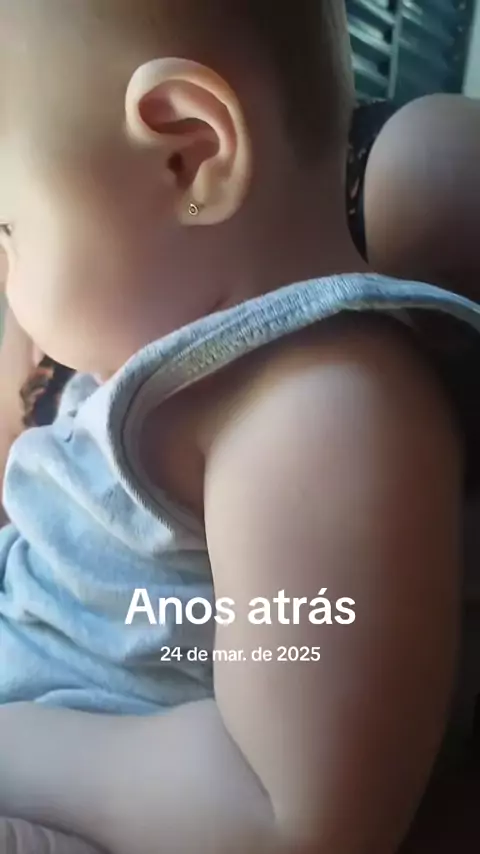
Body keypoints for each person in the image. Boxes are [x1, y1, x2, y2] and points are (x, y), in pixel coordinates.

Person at [1, 3, 480, 854]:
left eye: (6, 228)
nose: (7, 279)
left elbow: (285, 818)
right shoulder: (171, 353)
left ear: (188, 156)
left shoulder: (316, 415)